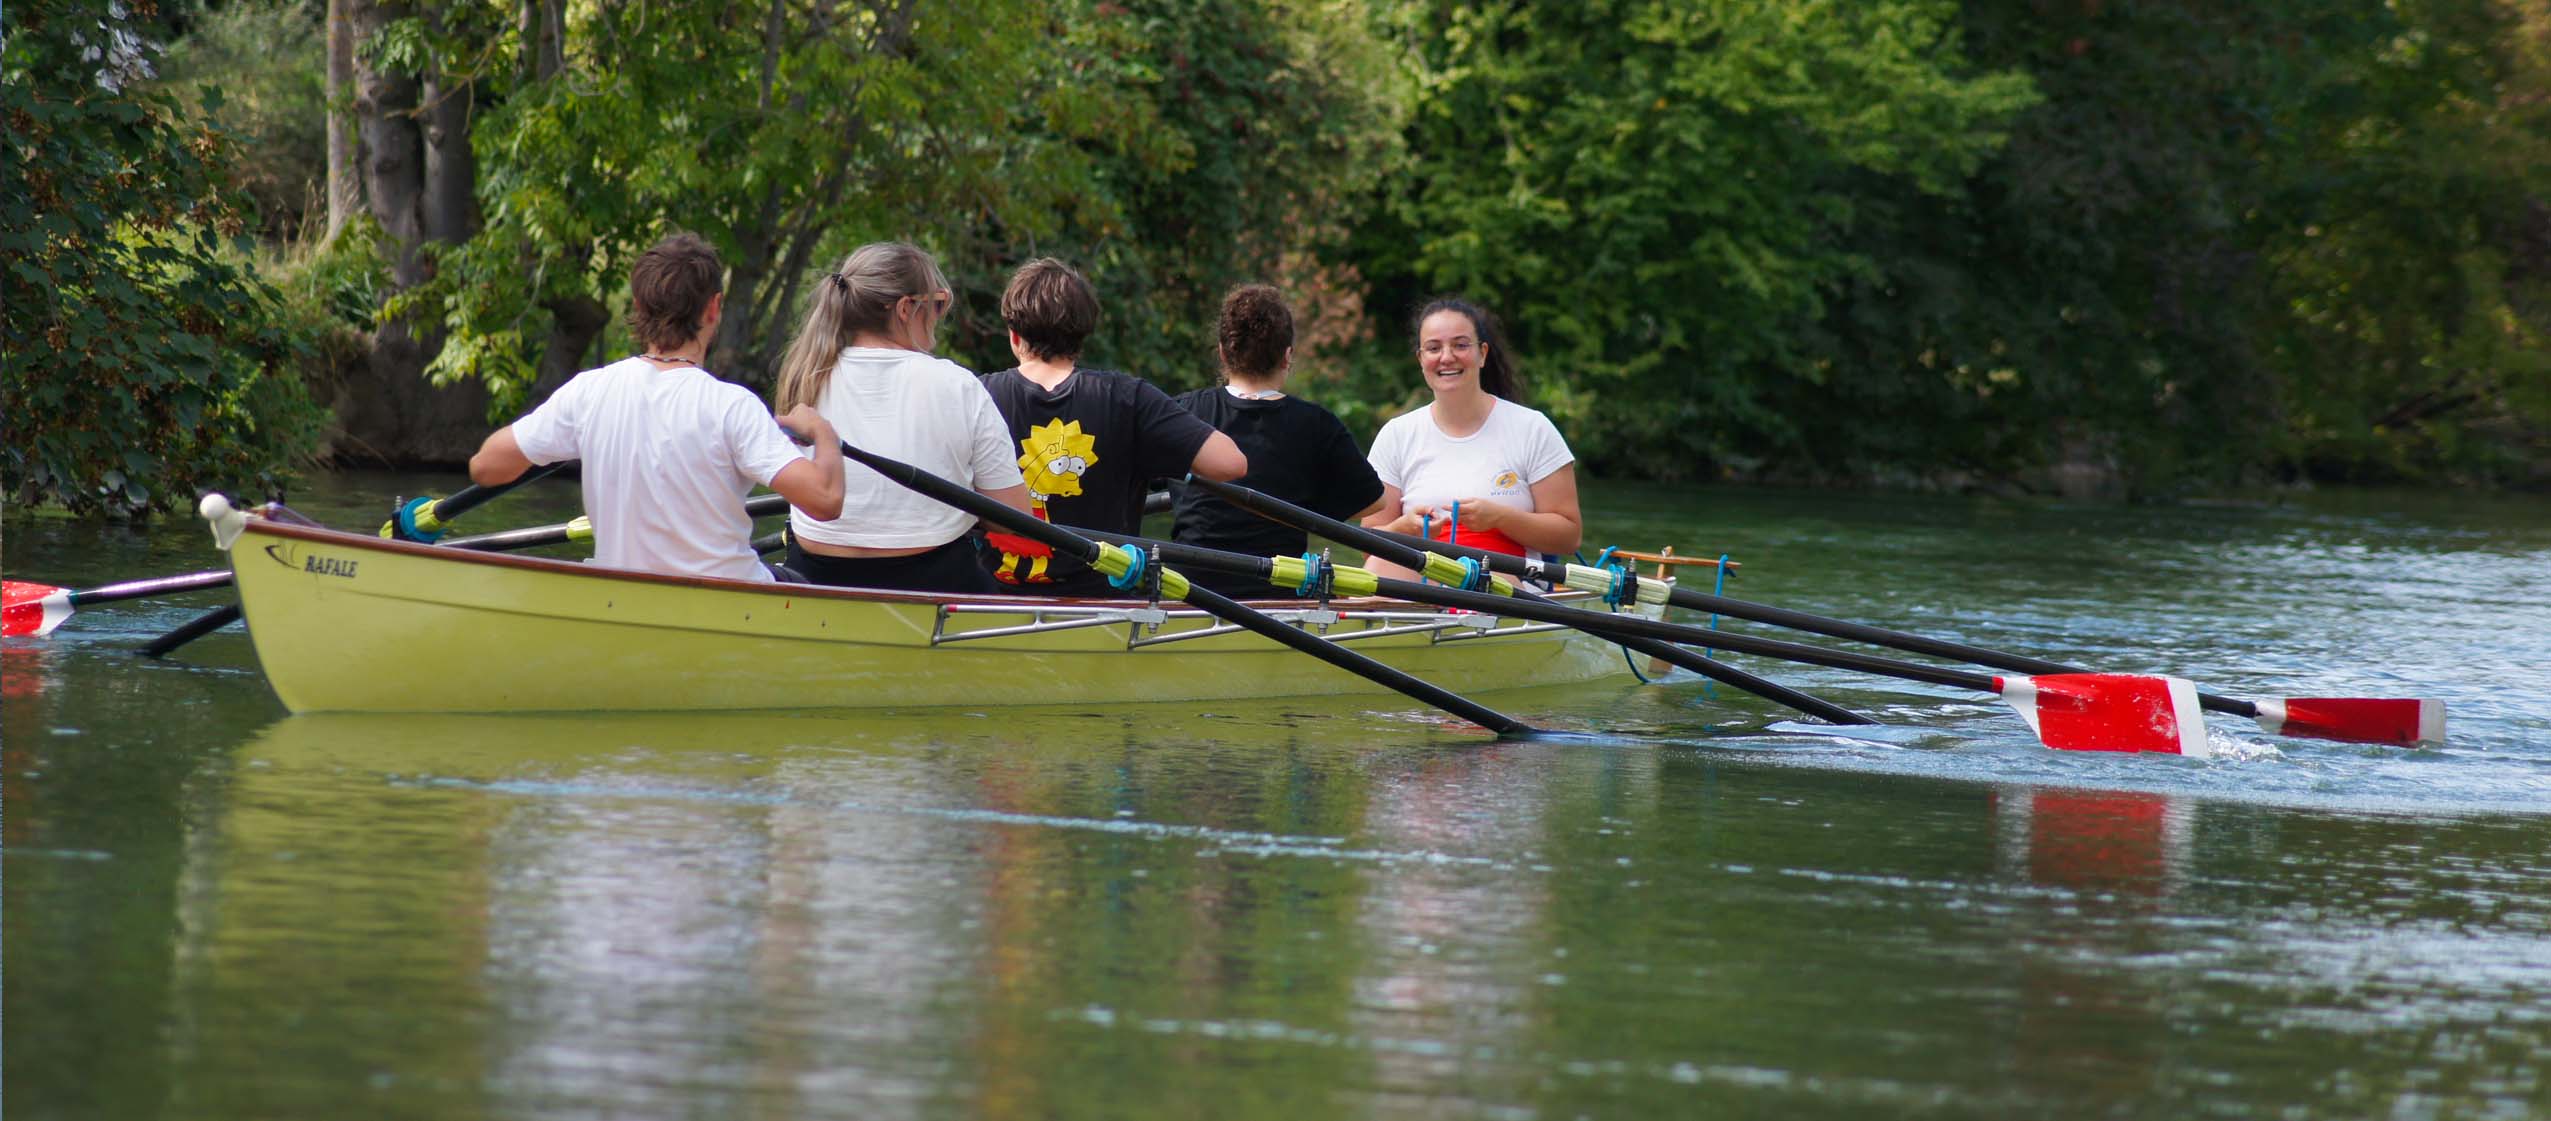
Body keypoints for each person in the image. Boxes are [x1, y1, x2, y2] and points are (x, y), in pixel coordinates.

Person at [468, 233, 844, 583]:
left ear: (637, 306)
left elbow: (485, 467)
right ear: (714, 309)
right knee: (803, 579)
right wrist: (823, 435)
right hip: (729, 598)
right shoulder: (733, 406)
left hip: (622, 596)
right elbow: (825, 502)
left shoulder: (588, 391)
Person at [977, 258, 1247, 596]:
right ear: (1083, 334)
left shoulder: (976, 395)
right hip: (1100, 603)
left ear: (1014, 336)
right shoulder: (1128, 398)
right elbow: (1231, 463)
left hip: (992, 599)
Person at [771, 242, 1030, 594]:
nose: (940, 316)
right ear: (906, 309)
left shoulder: (805, 377)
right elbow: (1014, 517)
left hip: (816, 576)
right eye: (937, 304)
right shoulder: (957, 385)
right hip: (934, 581)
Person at [1170, 284, 1384, 598]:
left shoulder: (1181, 412)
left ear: (1222, 352)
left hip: (1190, 592)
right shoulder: (1317, 424)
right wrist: (1303, 503)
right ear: (1287, 356)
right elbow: (1375, 501)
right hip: (1279, 594)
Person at [1362, 297, 1580, 581]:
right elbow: (1368, 544)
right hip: (1421, 580)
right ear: (1421, 359)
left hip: (1507, 582)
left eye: (1461, 345)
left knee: (1482, 583)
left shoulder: (1534, 428)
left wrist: (1500, 518)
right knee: (1377, 570)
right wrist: (1405, 528)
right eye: (1434, 348)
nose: (1447, 357)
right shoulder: (1396, 434)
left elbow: (1568, 537)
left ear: (1483, 354)